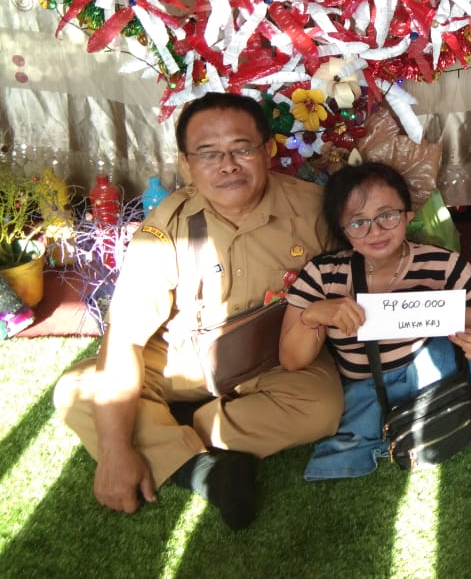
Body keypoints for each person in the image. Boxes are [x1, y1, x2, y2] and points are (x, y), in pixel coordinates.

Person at [53, 93, 343, 530]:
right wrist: (114, 452)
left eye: (242, 149)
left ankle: (173, 430)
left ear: (268, 149)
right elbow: (125, 337)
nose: (227, 165)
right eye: (208, 154)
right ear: (187, 164)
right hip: (185, 357)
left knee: (322, 406)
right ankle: (205, 471)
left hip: (275, 356)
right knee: (76, 390)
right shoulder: (166, 226)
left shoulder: (314, 209)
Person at [279, 161, 471, 479]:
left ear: (408, 215)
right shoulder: (322, 274)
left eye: (387, 215)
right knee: (353, 422)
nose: (376, 231)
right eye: (358, 222)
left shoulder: (444, 265)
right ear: (341, 229)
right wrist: (313, 315)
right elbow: (291, 360)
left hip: (436, 374)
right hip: (367, 389)